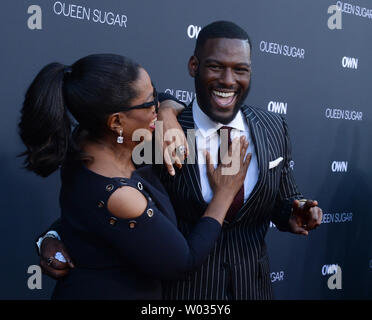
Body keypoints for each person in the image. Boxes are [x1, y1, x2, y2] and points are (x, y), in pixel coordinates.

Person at [38, 21, 323, 300]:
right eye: (216, 66)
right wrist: (50, 237)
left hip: (254, 287)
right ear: (193, 66)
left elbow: (282, 198)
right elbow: (100, 200)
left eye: (240, 70)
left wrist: (294, 210)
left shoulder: (272, 127)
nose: (228, 80)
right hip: (183, 293)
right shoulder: (154, 135)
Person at [19, 53, 251, 299]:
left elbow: (87, 222)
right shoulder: (121, 196)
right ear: (116, 121)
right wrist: (224, 195)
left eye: (155, 94)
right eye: (149, 103)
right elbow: (183, 261)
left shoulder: (86, 140)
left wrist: (167, 115)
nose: (157, 107)